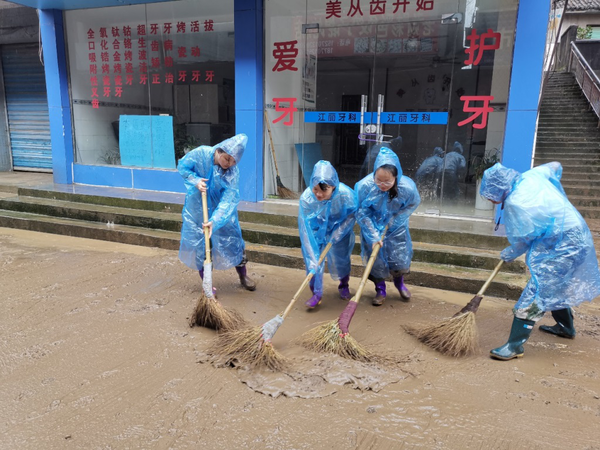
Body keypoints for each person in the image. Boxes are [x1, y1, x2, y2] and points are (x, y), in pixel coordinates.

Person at [480, 162, 600, 360]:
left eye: (490, 195)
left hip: (563, 245)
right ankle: (565, 328)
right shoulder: (532, 175)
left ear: (498, 188)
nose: (490, 199)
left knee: (537, 288)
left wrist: (511, 252)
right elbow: (556, 166)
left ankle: (514, 346)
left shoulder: (517, 202)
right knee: (555, 285)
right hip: (577, 233)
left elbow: (525, 238)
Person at [178, 133, 256, 292]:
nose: (229, 164)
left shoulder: (232, 171)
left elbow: (229, 198)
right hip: (198, 207)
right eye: (227, 159)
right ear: (219, 151)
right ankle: (207, 283)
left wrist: (216, 220)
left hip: (222, 211)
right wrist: (195, 180)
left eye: (234, 161)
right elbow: (183, 166)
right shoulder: (200, 154)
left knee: (234, 240)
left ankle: (243, 275)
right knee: (201, 244)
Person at [355, 147, 421, 306]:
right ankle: (380, 290)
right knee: (375, 260)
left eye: (387, 181)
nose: (382, 185)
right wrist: (373, 234)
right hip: (372, 228)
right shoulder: (365, 186)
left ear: (396, 177)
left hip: (396, 229)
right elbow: (361, 212)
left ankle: (400, 284)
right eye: (378, 180)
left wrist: (395, 220)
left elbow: (413, 204)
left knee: (398, 259)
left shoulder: (407, 188)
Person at [299, 160, 358, 309]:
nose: (318, 194)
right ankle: (316, 294)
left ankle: (344, 285)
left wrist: (338, 232)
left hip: (340, 229)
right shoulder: (306, 198)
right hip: (316, 230)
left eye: (323, 190)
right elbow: (305, 227)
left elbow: (352, 214)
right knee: (313, 261)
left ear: (333, 186)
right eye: (315, 189)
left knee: (341, 259)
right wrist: (312, 252)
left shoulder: (345, 195)